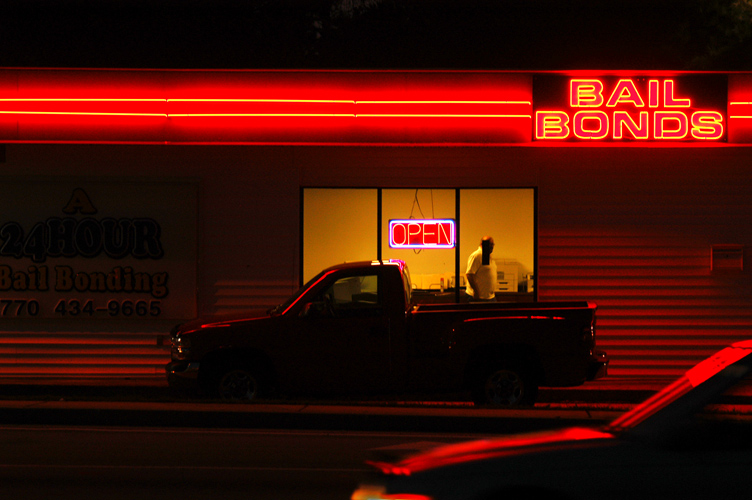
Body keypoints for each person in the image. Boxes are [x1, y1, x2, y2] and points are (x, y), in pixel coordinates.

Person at [465, 236, 498, 302]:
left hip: (489, 297)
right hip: (479, 297)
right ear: (482, 244)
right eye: (489, 244)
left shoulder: (489, 256)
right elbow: (469, 275)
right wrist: (476, 291)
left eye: (492, 244)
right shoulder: (477, 255)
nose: (491, 246)